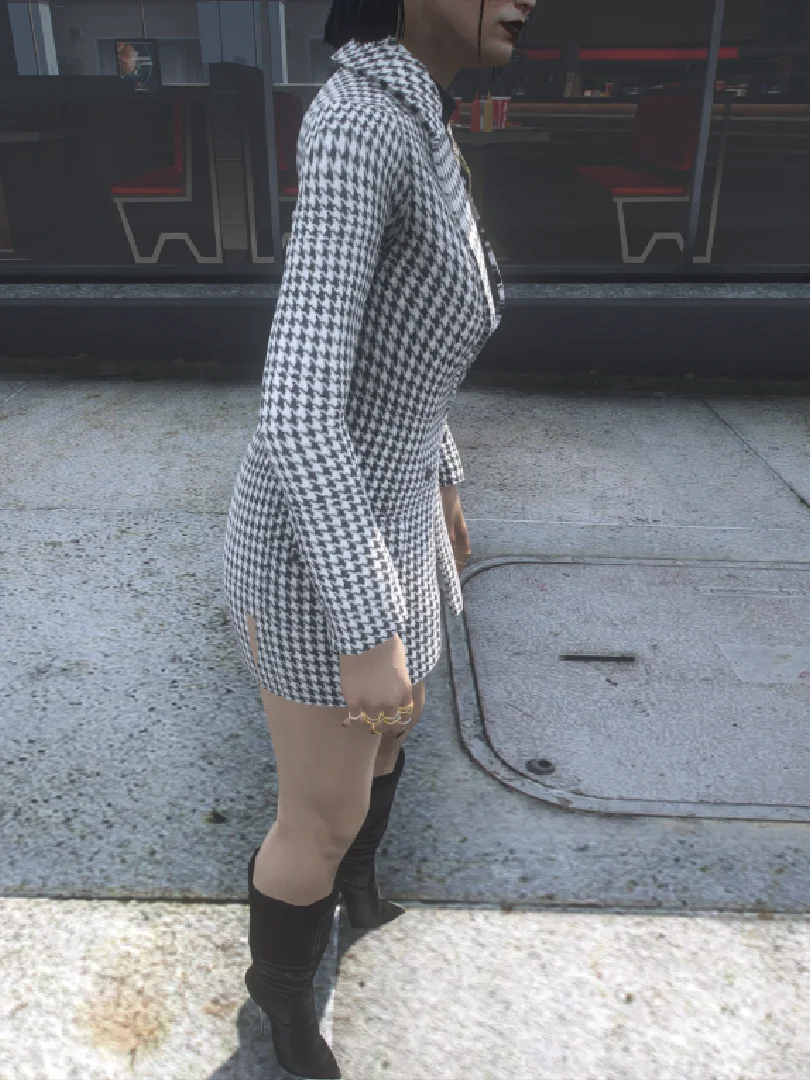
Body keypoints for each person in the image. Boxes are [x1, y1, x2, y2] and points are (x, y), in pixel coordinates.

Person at [222, 0, 534, 1075]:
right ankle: (279, 1001)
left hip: (395, 508)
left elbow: (400, 354)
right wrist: (365, 626)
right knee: (317, 816)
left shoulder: (420, 117)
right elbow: (299, 409)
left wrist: (444, 482)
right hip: (319, 541)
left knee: (391, 740)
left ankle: (359, 888)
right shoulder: (359, 122)